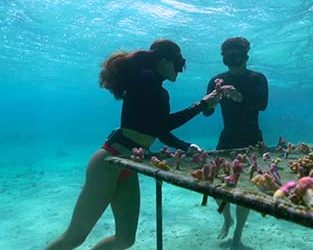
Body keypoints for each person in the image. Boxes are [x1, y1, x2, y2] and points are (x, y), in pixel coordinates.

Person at [46, 39, 222, 250]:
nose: (180, 70)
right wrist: (202, 104)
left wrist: (186, 146)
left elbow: (158, 130)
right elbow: (161, 125)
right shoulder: (146, 80)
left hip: (128, 164)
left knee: (125, 239)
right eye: (179, 63)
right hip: (110, 161)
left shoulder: (151, 84)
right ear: (164, 61)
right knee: (75, 236)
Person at [203, 37, 269, 250]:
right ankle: (227, 219)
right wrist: (211, 100)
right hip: (227, 138)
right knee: (214, 184)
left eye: (236, 53)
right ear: (223, 57)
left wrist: (240, 97)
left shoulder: (257, 78)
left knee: (245, 191)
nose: (231, 57)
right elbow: (206, 112)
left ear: (246, 56)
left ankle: (238, 234)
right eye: (227, 54)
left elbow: (263, 105)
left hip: (252, 139)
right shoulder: (216, 80)